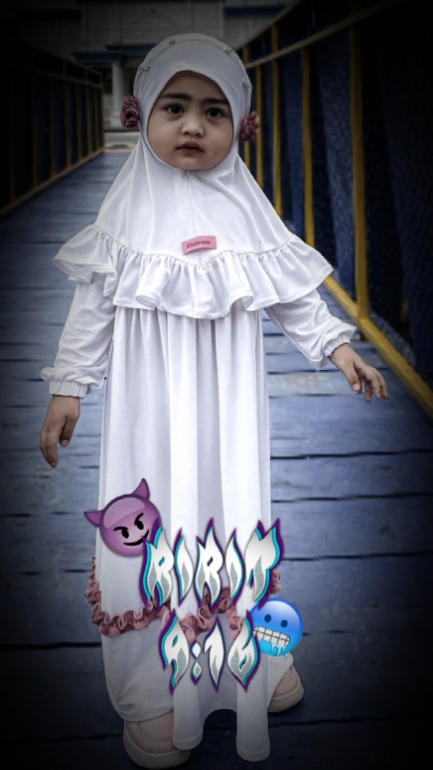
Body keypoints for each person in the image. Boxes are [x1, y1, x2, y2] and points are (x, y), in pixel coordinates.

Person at [39, 34, 387, 768]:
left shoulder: (245, 208)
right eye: (174, 108)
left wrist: (337, 345)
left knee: (231, 509)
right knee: (153, 516)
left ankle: (242, 662)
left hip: (226, 407)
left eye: (213, 111)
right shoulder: (127, 209)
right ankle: (153, 685)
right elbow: (93, 305)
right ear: (142, 116)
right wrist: (69, 385)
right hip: (149, 409)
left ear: (240, 125)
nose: (193, 125)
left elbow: (290, 293)